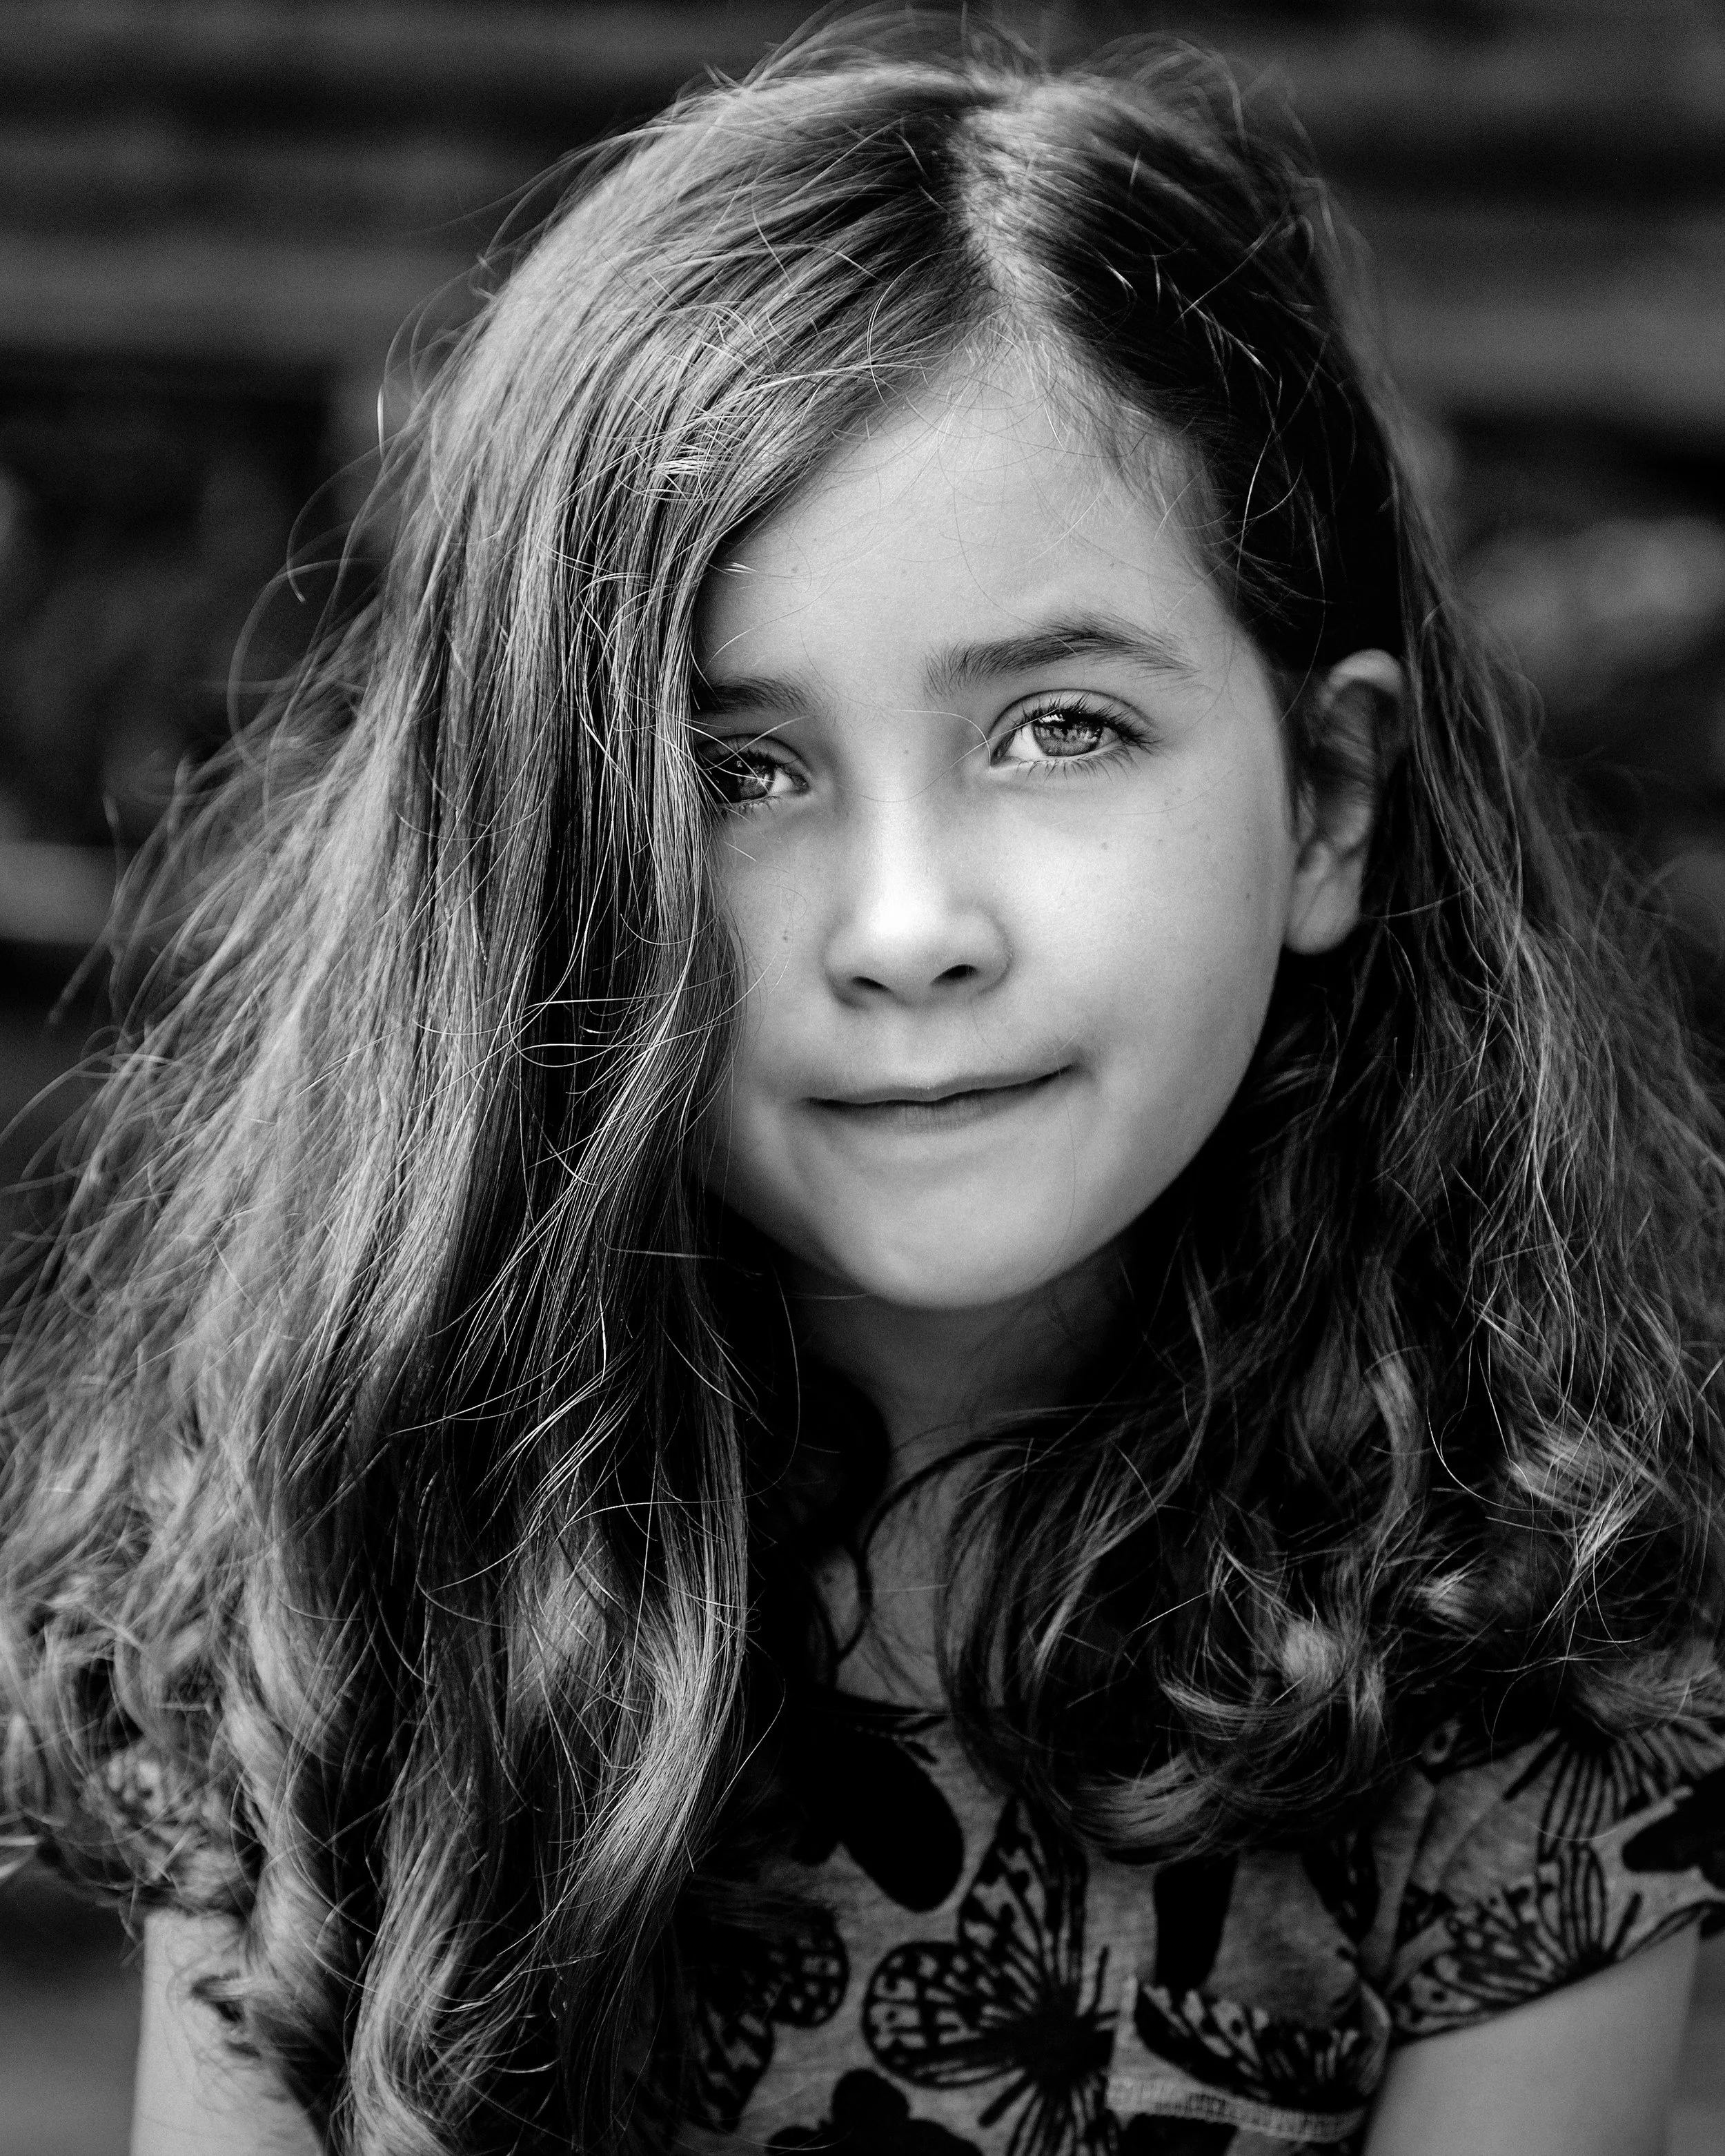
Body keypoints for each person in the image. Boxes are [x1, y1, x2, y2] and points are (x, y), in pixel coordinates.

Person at [3, 20, 1724, 2156]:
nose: (907, 926)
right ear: (536, 863)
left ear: (1328, 806)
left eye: (1060, 729)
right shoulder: (326, 1536)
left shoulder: (1517, 1631)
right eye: (734, 773)